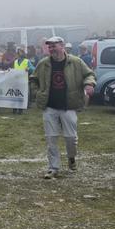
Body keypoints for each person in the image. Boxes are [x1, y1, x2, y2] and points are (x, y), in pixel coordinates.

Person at [29, 36, 96, 179]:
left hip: (69, 105)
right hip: (50, 107)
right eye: (50, 46)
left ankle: (71, 157)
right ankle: (53, 167)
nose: (51, 49)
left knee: (71, 138)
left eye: (54, 46)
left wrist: (89, 84)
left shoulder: (76, 62)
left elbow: (89, 74)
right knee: (51, 138)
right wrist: (37, 93)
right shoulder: (44, 63)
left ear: (62, 46)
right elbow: (33, 79)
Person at [12, 47, 32, 115]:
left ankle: (20, 110)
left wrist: (28, 69)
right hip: (16, 81)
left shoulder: (27, 61)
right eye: (18, 53)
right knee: (15, 95)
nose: (18, 54)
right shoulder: (15, 62)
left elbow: (33, 68)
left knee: (21, 95)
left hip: (23, 81)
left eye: (20, 52)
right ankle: (14, 109)